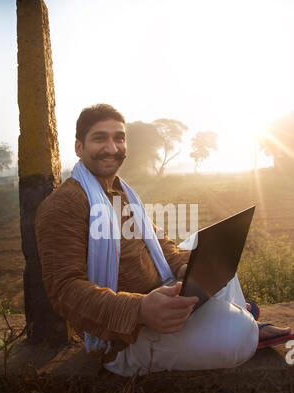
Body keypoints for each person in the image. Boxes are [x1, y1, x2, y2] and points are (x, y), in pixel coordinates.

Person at [34, 104, 292, 377]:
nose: (111, 147)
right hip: (125, 337)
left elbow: (160, 242)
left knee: (209, 254)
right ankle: (244, 322)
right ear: (78, 147)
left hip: (162, 295)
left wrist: (183, 267)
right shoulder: (64, 206)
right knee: (241, 335)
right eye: (100, 138)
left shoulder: (122, 194)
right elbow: (64, 290)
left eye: (119, 138)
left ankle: (231, 315)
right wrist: (140, 310)